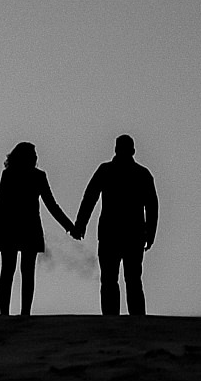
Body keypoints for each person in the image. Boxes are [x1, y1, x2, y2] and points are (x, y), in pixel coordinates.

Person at [72, 134, 159, 316]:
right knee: (132, 279)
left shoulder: (106, 170)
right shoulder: (142, 174)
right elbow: (152, 206)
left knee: (111, 279)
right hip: (132, 233)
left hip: (111, 233)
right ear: (133, 150)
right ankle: (136, 320)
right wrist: (150, 233)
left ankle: (112, 319)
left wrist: (81, 224)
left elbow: (90, 198)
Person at [0, 141, 75, 316]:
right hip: (27, 228)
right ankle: (23, 313)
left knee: (9, 271)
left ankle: (6, 313)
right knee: (23, 272)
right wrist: (70, 227)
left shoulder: (9, 175)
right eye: (33, 154)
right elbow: (51, 205)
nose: (36, 157)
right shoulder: (37, 176)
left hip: (11, 228)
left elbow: (1, 205)